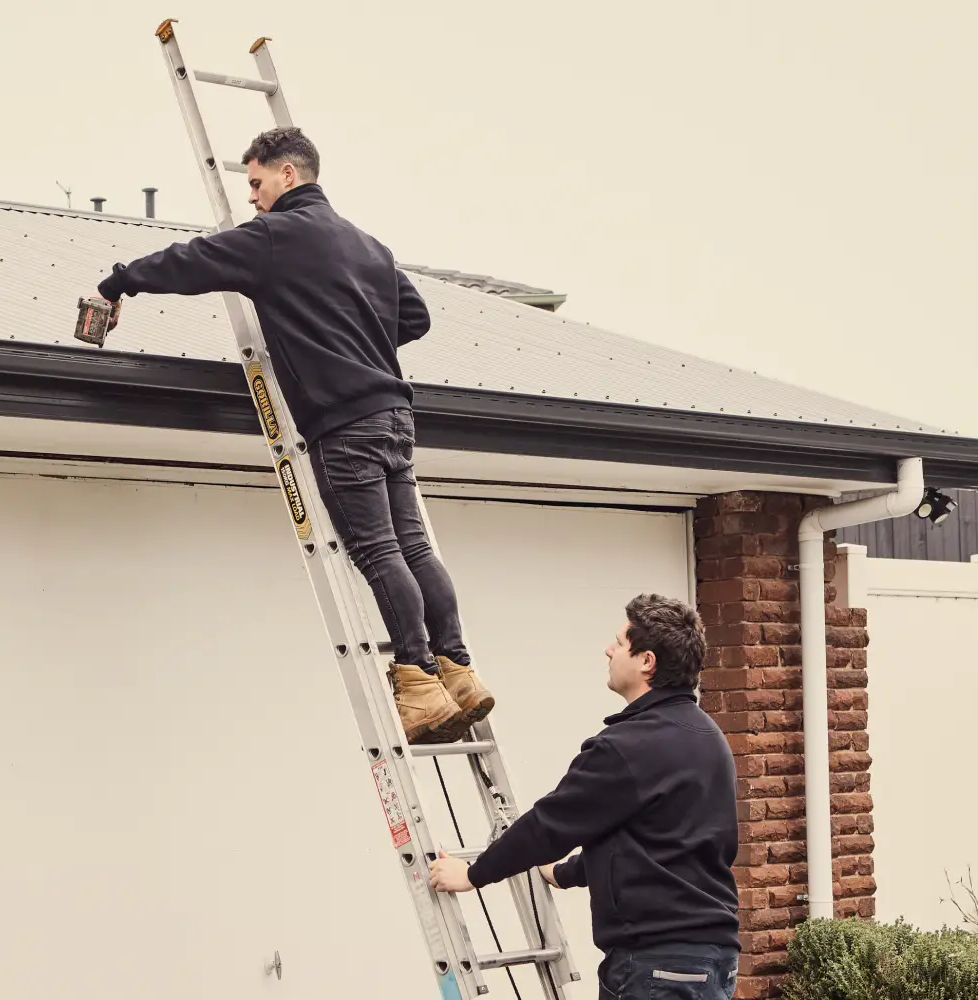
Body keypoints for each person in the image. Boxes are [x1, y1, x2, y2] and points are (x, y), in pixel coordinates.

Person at [94, 125, 493, 745]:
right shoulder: (369, 244)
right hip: (395, 416)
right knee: (415, 548)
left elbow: (192, 261)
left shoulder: (276, 238)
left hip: (345, 425)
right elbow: (414, 316)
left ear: (287, 174)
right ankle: (459, 671)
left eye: (255, 183)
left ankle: (419, 681)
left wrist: (120, 280)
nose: (251, 197)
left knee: (379, 552)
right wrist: (354, 336)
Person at [429, 594, 740, 999]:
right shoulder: (709, 738)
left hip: (656, 966)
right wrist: (565, 873)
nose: (608, 650)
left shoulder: (628, 746)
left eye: (619, 642)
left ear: (647, 661)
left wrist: (473, 875)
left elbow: (550, 824)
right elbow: (662, 842)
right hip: (711, 962)